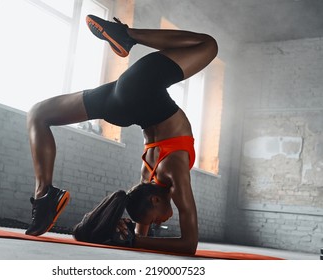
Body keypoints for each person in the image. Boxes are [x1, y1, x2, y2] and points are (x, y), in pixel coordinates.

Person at [25, 14, 218, 254]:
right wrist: (129, 240)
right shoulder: (148, 176)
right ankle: (43, 197)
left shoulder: (172, 173)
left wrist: (127, 239)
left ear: (155, 200)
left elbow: (188, 246)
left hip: (139, 90)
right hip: (123, 106)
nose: (161, 223)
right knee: (38, 114)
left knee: (209, 45)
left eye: (154, 221)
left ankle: (125, 35)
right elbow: (145, 239)